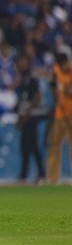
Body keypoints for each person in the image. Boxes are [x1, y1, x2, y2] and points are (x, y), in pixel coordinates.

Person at [47, 53, 72, 184]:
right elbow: (53, 86)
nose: (63, 67)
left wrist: (66, 90)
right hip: (60, 114)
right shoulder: (56, 70)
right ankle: (52, 179)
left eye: (65, 64)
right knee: (54, 145)